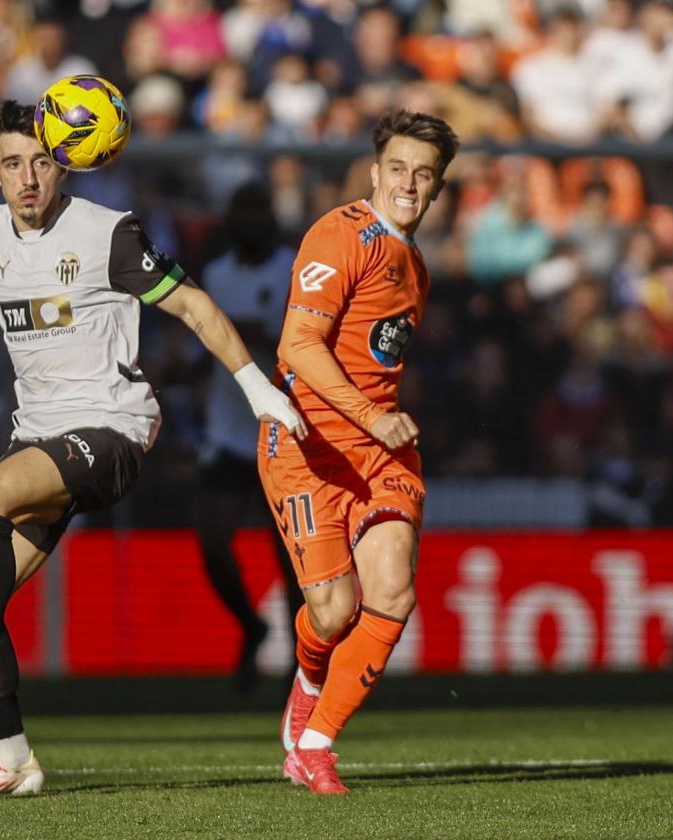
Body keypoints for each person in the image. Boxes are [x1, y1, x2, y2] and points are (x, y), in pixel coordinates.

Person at [0, 100, 304, 797]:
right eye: (13, 163)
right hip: (42, 436)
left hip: (114, 429)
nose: (28, 178)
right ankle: (11, 757)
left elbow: (195, 306)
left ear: (65, 164)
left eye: (41, 162)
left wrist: (258, 390)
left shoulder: (107, 234)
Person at [258, 108, 459, 794]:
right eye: (397, 168)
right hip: (308, 445)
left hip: (377, 448)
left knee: (395, 590)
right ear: (375, 173)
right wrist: (372, 414)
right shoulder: (340, 235)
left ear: (436, 190)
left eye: (423, 175)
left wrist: (378, 422)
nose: (408, 183)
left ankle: (315, 746)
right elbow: (296, 347)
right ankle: (310, 675)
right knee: (335, 611)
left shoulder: (416, 268)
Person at [194, 181, 303, 693]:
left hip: (282, 429)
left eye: (259, 210)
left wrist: (240, 331)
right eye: (243, 211)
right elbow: (205, 346)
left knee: (289, 554)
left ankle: (301, 664)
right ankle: (251, 625)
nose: (251, 222)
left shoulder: (291, 270)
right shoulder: (215, 275)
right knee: (212, 542)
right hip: (229, 433)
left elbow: (294, 341)